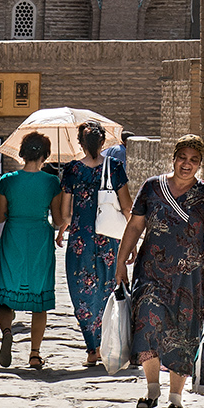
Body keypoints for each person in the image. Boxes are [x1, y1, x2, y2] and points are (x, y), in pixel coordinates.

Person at [114, 133, 204, 408]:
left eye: (194, 160)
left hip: (190, 277)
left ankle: (176, 397)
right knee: (146, 325)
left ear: (200, 164)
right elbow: (135, 226)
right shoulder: (152, 188)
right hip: (151, 270)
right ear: (173, 158)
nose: (186, 164)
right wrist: (120, 262)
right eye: (182, 158)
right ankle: (152, 389)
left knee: (183, 332)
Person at [0, 131, 62, 369]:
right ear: (45, 155)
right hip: (39, 240)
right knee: (39, 299)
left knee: (4, 292)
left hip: (13, 236)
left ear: (22, 153)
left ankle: (6, 332)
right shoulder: (51, 182)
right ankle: (34, 354)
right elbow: (57, 219)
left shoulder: (7, 180)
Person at [59, 119, 133, 365]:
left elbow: (65, 214)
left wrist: (63, 229)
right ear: (103, 141)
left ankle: (93, 348)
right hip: (110, 238)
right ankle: (109, 342)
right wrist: (131, 242)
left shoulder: (71, 170)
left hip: (81, 239)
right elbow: (126, 207)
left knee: (82, 290)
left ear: (80, 142)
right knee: (109, 287)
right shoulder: (114, 166)